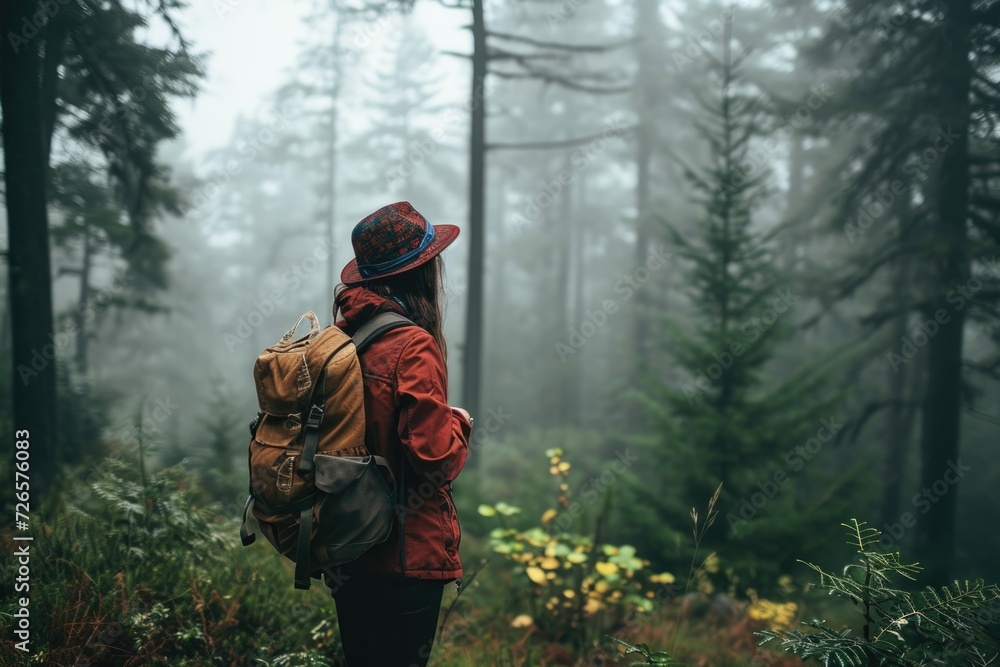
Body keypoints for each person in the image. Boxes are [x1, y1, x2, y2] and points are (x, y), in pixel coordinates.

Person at [324, 201, 472, 667]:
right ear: (420, 272)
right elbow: (436, 457)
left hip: (349, 549)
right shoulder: (412, 345)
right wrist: (460, 422)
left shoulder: (342, 340)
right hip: (406, 558)